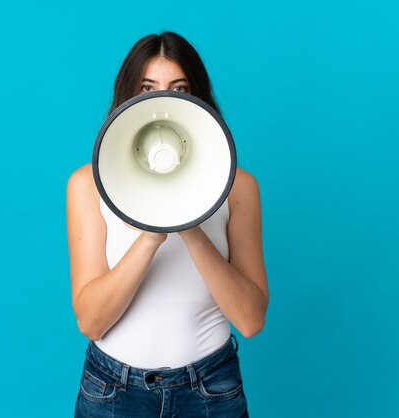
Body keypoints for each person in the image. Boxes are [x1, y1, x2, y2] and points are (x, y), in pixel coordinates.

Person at [66, 31, 268, 417]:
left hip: (210, 389)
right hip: (112, 391)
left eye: (179, 88)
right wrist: (150, 236)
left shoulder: (239, 187)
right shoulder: (86, 185)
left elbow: (251, 319)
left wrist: (192, 225)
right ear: (128, 97)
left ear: (198, 98)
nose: (163, 101)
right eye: (147, 88)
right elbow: (91, 321)